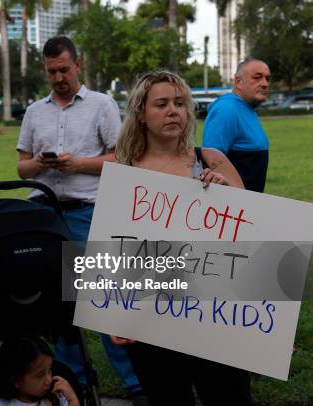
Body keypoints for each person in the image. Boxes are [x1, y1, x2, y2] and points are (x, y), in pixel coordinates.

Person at [16, 36, 143, 401]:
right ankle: (75, 381)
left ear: (78, 65)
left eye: (64, 69)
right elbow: (21, 167)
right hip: (43, 214)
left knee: (104, 299)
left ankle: (134, 384)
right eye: (51, 71)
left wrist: (78, 164)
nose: (58, 77)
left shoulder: (101, 104)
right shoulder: (34, 111)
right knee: (60, 306)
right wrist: (40, 163)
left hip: (88, 211)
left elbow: (122, 158)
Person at [114, 71, 251, 406]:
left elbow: (252, 227)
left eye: (180, 103)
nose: (173, 110)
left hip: (213, 311)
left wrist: (226, 192)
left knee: (229, 396)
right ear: (141, 115)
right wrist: (114, 313)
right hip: (151, 317)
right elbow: (115, 248)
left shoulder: (211, 158)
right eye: (161, 104)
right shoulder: (124, 171)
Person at [202, 59, 271, 192]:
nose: (265, 84)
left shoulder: (246, 107)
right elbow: (210, 162)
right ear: (238, 82)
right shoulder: (227, 109)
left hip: (249, 204)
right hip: (234, 207)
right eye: (257, 78)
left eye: (267, 78)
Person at [0, 335, 80, 406]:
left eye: (50, 370)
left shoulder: (56, 397)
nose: (49, 380)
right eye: (40, 375)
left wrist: (72, 400)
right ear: (16, 380)